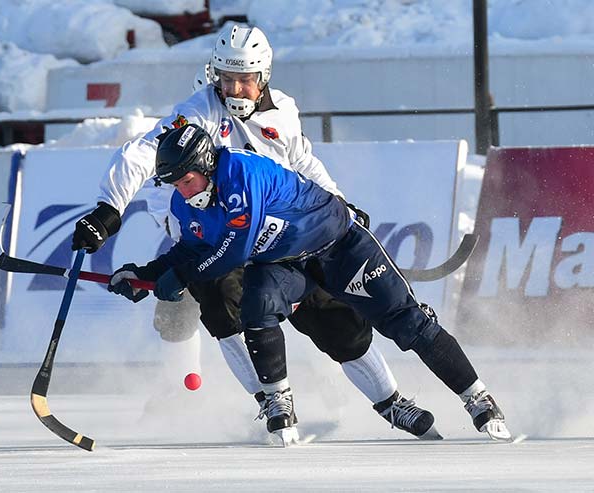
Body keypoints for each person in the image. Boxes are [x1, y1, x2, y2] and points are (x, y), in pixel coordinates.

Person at [71, 23, 437, 442]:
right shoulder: (199, 114)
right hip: (217, 240)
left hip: (283, 240)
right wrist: (108, 209)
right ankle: (264, 397)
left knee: (336, 321)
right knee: (218, 300)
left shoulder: (283, 111)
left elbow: (303, 161)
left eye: (245, 79)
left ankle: (391, 402)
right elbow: (144, 155)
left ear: (263, 77)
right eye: (227, 80)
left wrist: (339, 203)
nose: (236, 89)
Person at [111, 122, 512, 444]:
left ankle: (477, 397)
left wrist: (180, 277)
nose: (181, 191)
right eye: (175, 184)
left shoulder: (240, 173)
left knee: (406, 324)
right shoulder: (186, 203)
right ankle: (278, 401)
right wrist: (142, 274)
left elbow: (234, 249)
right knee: (257, 306)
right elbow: (189, 250)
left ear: (206, 166)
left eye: (185, 180)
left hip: (340, 247)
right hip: (285, 262)